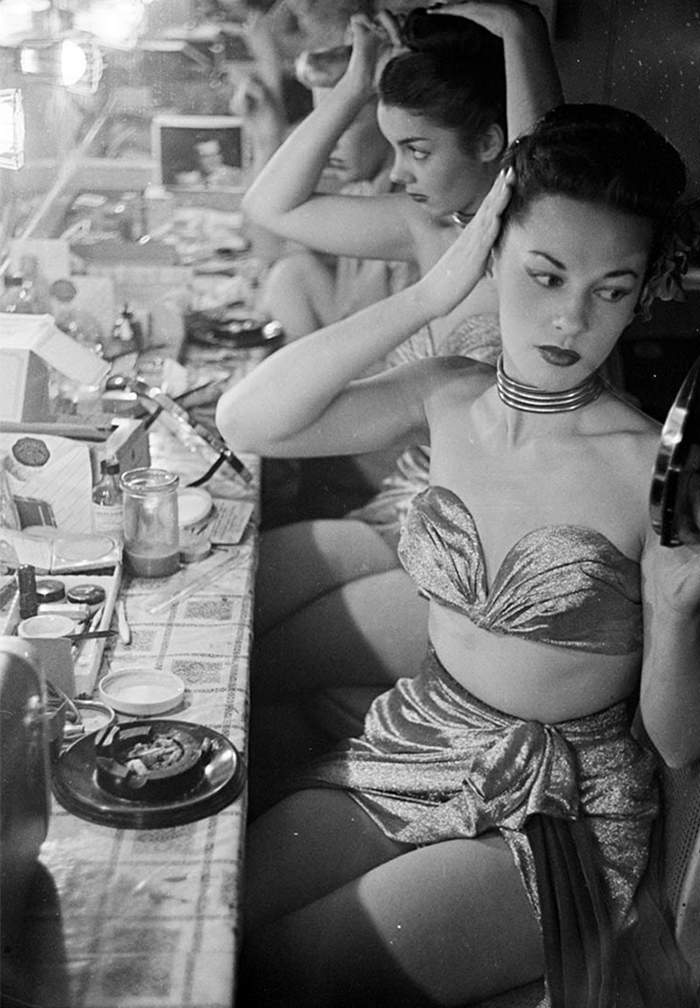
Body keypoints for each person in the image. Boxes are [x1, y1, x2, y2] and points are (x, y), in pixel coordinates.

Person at [216, 102, 700, 1006]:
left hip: (562, 809)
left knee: (291, 969)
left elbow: (677, 741)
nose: (570, 321)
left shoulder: (649, 468)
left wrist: (674, 609)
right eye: (545, 275)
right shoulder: (447, 392)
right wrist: (430, 296)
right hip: (424, 735)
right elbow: (245, 422)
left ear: (641, 292)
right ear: (489, 253)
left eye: (611, 290)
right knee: (222, 918)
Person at [247, 2, 562, 802]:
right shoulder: (428, 227)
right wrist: (352, 89)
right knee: (247, 596)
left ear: (491, 143)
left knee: (267, 665)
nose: (398, 171)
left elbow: (546, 167)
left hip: (487, 548)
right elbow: (271, 208)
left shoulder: (544, 243)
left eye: (416, 149)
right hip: (412, 505)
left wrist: (521, 32)